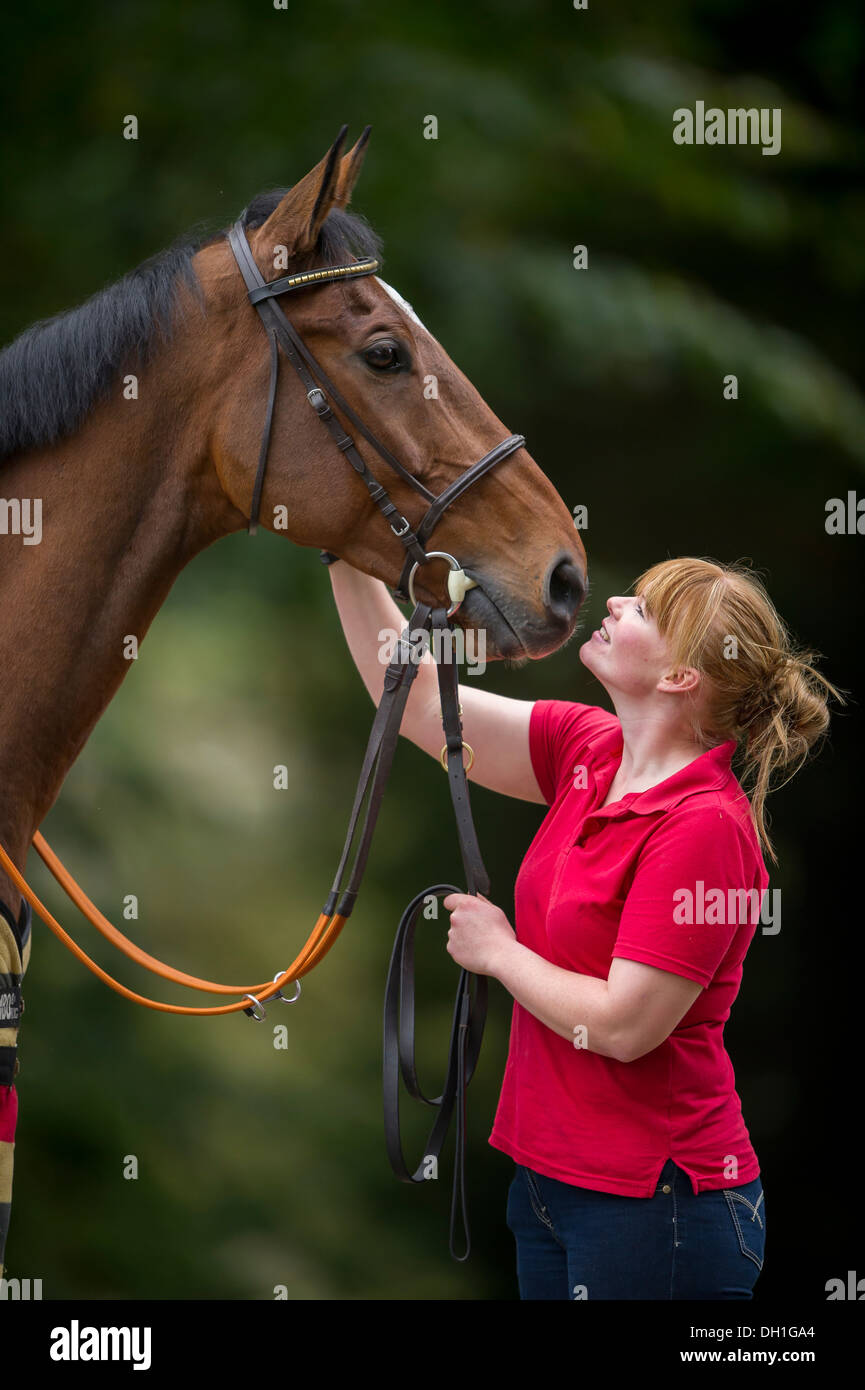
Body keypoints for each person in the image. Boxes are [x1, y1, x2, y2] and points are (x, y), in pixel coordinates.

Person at [324, 554, 842, 1300]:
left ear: (678, 678)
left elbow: (625, 1026)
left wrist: (499, 954)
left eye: (648, 611)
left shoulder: (702, 826)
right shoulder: (587, 749)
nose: (619, 601)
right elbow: (405, 702)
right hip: (549, 1182)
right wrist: (344, 551)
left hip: (656, 1201)